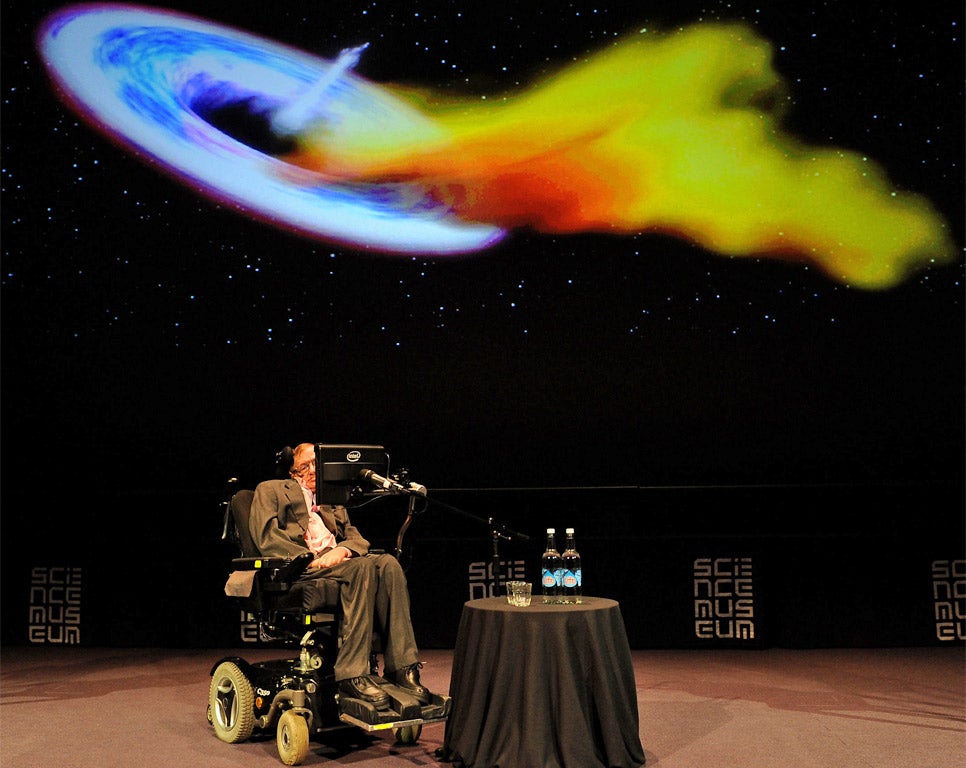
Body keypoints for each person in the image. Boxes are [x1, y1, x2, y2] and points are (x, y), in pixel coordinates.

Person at [248, 442, 429, 710]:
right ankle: (352, 674)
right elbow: (266, 538)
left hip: (339, 562)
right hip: (303, 569)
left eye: (316, 465)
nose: (312, 471)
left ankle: (402, 668)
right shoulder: (271, 489)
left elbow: (354, 536)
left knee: (388, 564)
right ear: (291, 472)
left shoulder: (330, 497)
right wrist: (313, 558)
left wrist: (342, 549)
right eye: (304, 467)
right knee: (363, 567)